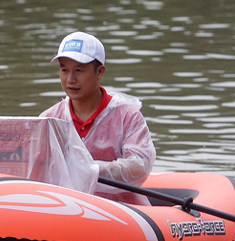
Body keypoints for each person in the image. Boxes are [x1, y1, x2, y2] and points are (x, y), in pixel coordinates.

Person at [40, 31, 156, 204]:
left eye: (79, 70)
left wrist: (90, 170)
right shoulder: (49, 118)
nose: (70, 79)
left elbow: (139, 166)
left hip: (122, 211)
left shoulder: (127, 115)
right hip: (67, 207)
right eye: (64, 70)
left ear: (100, 72)